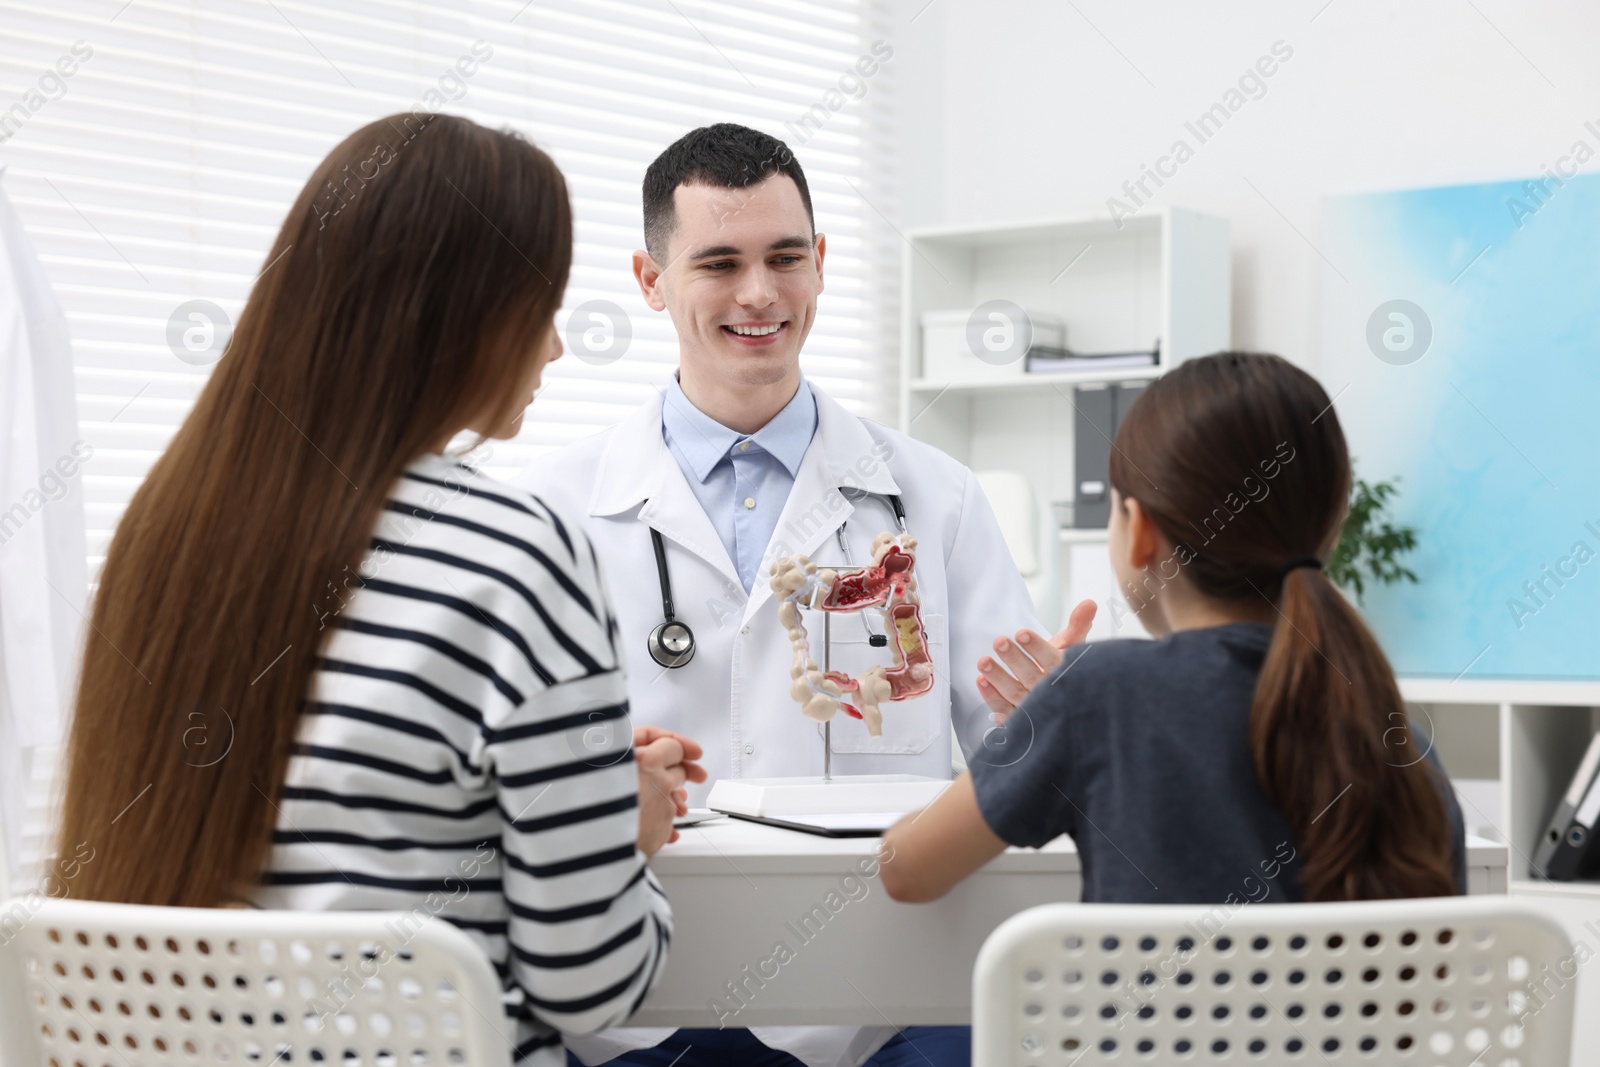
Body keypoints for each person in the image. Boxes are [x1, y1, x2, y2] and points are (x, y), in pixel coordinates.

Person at [54, 114, 702, 1065]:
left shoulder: (160, 533)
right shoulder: (521, 551)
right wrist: (619, 827)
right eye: (540, 309)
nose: (556, 350)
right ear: (458, 318)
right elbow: (591, 980)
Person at [520, 123, 1074, 1067]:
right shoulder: (555, 509)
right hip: (631, 1012)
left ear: (820, 264)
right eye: (718, 262)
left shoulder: (933, 496)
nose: (759, 294)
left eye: (785, 257)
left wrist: (1060, 718)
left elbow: (1020, 773)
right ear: (651, 282)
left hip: (870, 1008)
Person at [879, 351, 1467, 906]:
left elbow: (906, 870)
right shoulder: (1403, 744)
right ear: (1330, 533)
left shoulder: (1096, 696)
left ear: (1139, 531)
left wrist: (1041, 728)